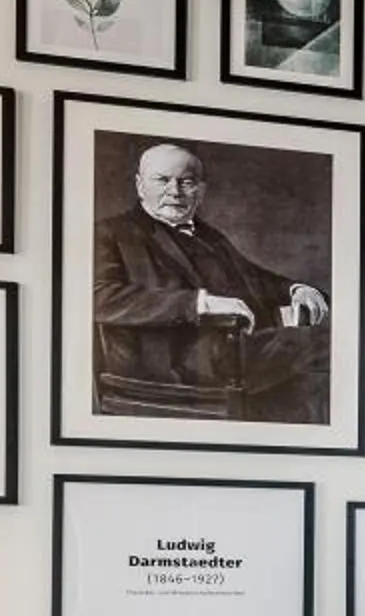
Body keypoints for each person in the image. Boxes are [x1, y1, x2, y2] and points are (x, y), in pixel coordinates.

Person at [92, 142, 332, 423]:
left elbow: (254, 277)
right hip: (169, 363)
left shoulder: (208, 235)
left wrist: (296, 289)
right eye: (162, 180)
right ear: (139, 184)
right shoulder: (109, 233)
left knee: (322, 361)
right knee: (330, 345)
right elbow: (99, 297)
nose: (175, 191)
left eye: (187, 182)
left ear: (201, 191)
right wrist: (200, 303)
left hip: (232, 351)